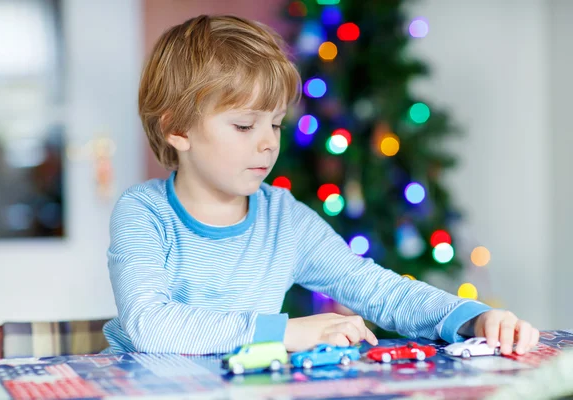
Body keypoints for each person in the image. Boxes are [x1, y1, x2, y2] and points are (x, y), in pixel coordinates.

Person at [102, 15, 539, 356]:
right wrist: (284, 331)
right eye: (243, 125)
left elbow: (375, 288)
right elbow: (149, 325)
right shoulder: (143, 212)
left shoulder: (283, 218)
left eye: (275, 124)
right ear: (177, 129)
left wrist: (472, 319)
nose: (268, 143)